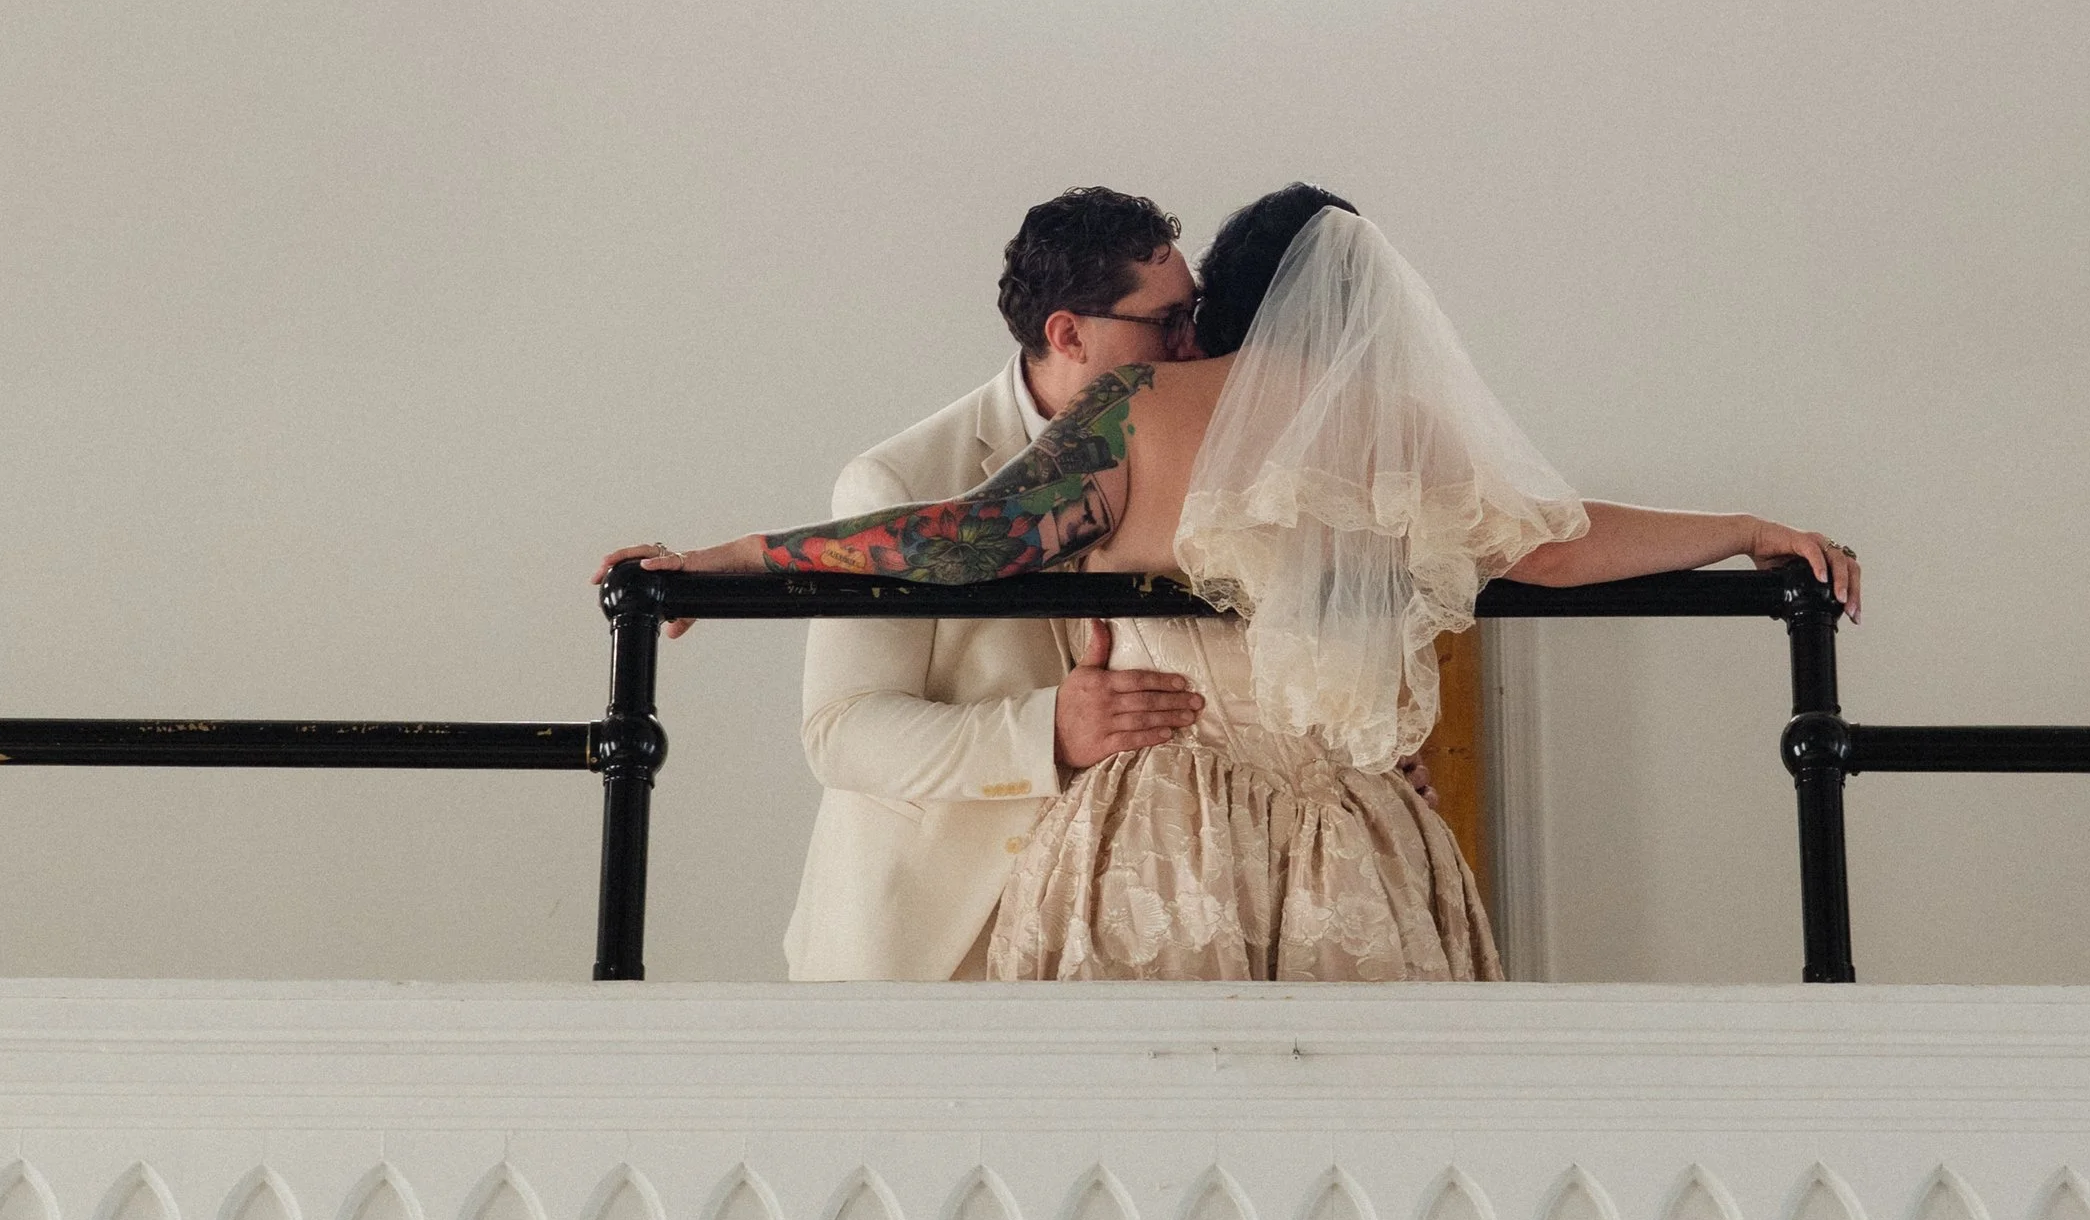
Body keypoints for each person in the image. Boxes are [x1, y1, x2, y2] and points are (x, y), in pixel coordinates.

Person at [612, 184, 1860, 983]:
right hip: (1358, 832)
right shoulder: (1403, 432)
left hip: (1163, 825)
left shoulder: (1137, 410)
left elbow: (946, 542)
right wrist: (1747, 528)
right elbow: (1559, 543)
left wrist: (721, 564)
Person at [605, 187, 1208, 981]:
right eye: (1167, 322)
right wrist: (1044, 732)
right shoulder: (903, 476)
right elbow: (842, 730)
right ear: (1068, 333)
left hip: (1123, 937)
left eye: (1195, 315)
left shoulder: (1199, 454)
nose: (1192, 345)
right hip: (927, 949)